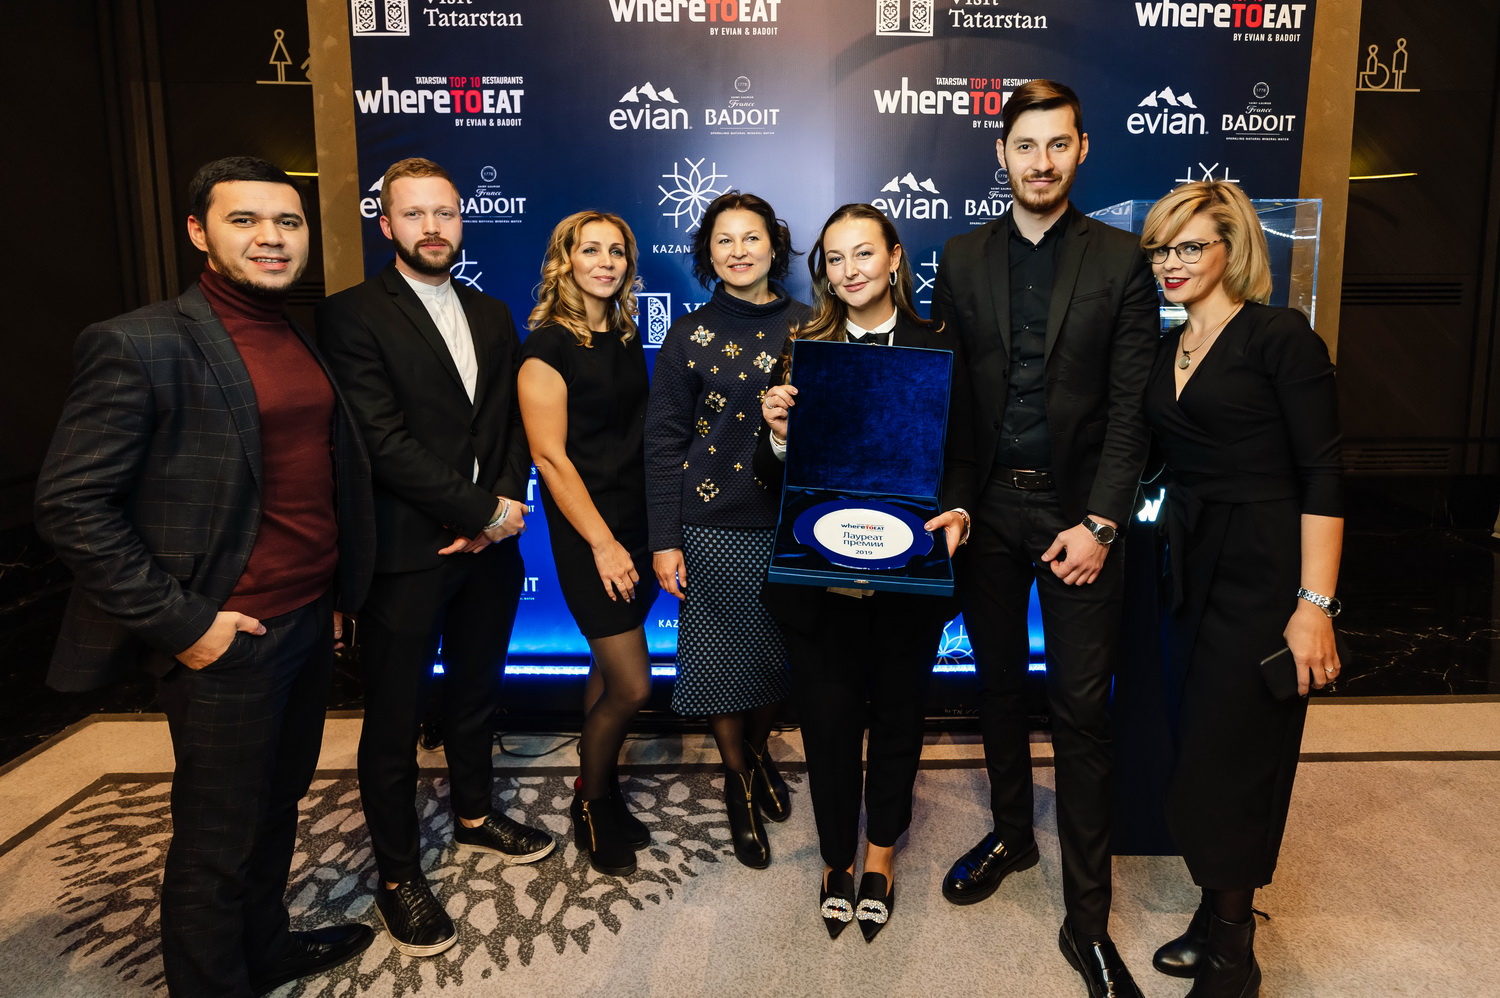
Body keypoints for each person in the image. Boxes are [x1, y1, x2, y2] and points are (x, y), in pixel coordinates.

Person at [34, 156, 376, 996]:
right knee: (216, 838)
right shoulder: (140, 341)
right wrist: (187, 626)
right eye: (244, 220)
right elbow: (71, 505)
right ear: (199, 231)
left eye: (288, 222)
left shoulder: (295, 331)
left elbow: (307, 481)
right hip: (227, 636)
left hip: (305, 617)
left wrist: (334, 599)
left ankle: (265, 948)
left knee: (277, 805)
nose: (271, 238)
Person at [930, 79, 1159, 996]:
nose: (1041, 161)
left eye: (1058, 144)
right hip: (986, 511)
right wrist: (954, 504)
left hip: (1079, 518)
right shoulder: (960, 256)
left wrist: (1101, 522)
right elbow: (949, 399)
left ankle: (1087, 921)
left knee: (1081, 712)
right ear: (1002, 154)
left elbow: (1133, 410)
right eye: (1025, 145)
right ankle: (1013, 837)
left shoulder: (1122, 259)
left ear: (1082, 148)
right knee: (995, 688)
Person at [317, 157, 555, 958]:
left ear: (461, 220)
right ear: (386, 224)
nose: (431, 227)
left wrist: (500, 512)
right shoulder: (351, 315)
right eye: (414, 214)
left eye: (445, 213)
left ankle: (477, 815)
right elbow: (380, 441)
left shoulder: (492, 312)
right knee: (393, 720)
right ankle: (397, 876)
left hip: (489, 550)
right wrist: (479, 510)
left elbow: (509, 426)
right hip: (408, 554)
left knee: (477, 695)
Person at [1139, 180, 1343, 998]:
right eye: (1162, 248)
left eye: (1191, 245)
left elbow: (1324, 475)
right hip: (1187, 564)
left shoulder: (1278, 336)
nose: (1172, 262)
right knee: (1197, 747)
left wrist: (1314, 606)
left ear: (1233, 248)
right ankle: (1213, 912)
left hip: (1263, 566)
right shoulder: (1167, 347)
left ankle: (1234, 952)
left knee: (1238, 756)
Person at [757, 203, 970, 942]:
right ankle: (835, 858)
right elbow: (770, 476)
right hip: (819, 584)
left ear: (895, 257)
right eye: (835, 258)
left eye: (864, 253)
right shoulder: (803, 348)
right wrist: (778, 435)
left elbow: (966, 452)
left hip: (908, 579)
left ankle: (881, 849)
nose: (849, 271)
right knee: (828, 726)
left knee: (901, 718)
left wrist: (960, 510)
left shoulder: (939, 345)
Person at [644, 192, 809, 868]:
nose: (739, 251)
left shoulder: (811, 325)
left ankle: (758, 753)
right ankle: (738, 782)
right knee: (719, 665)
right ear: (707, 254)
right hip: (711, 525)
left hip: (793, 525)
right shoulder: (688, 333)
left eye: (751, 238)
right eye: (724, 240)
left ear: (775, 246)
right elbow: (663, 442)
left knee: (775, 660)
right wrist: (665, 540)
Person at [518, 211, 660, 876]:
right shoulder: (546, 349)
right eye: (591, 250)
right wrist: (603, 544)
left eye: (617, 252)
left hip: (637, 523)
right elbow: (551, 459)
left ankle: (596, 783)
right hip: (590, 533)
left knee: (605, 669)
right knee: (632, 685)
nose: (605, 262)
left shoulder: (625, 336)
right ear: (565, 260)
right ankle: (592, 801)